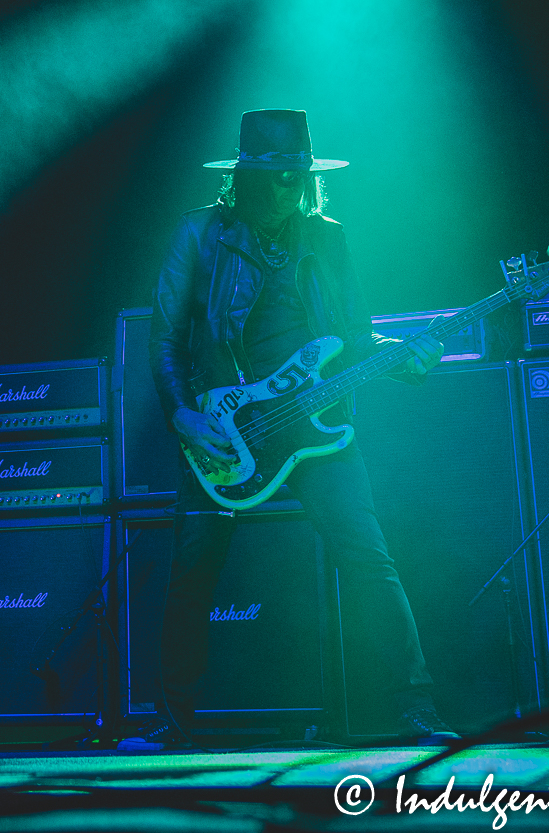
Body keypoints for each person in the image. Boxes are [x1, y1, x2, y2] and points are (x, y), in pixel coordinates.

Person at [138, 108, 454, 748]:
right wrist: (184, 414)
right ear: (247, 177)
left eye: (299, 175)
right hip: (225, 427)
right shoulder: (200, 234)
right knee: (194, 571)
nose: (293, 187)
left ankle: (410, 709)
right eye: (280, 175)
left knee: (367, 555)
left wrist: (405, 361)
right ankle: (173, 723)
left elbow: (355, 339)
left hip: (317, 428)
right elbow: (166, 337)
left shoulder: (326, 239)